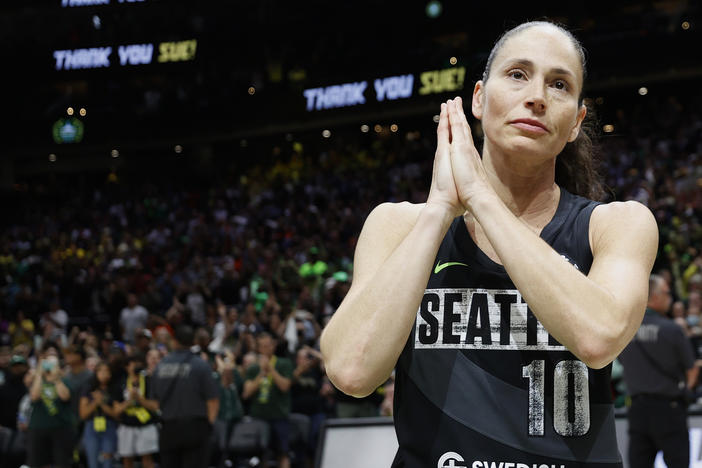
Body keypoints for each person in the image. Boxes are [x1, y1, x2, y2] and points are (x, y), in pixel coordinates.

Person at [320, 20, 658, 467]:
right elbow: (351, 371)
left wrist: (479, 196)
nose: (537, 96)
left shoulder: (616, 224)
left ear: (576, 122)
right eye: (517, 74)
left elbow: (597, 337)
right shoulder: (397, 225)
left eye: (559, 84)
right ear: (478, 98)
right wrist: (441, 207)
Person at [618, 274, 698, 467]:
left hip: (637, 409)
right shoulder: (671, 329)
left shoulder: (625, 329)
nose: (670, 297)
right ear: (654, 297)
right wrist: (687, 391)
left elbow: (620, 361)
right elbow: (692, 369)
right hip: (669, 408)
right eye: (667, 292)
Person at [150, 324, 220, 468]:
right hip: (196, 427)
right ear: (194, 341)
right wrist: (208, 426)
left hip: (168, 428)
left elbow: (154, 403)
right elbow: (213, 401)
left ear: (174, 341)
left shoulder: (160, 366)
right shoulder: (201, 365)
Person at [242, 332, 294, 468]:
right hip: (259, 417)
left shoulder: (284, 363)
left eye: (268, 345)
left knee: (283, 453)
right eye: (263, 346)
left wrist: (270, 369)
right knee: (261, 455)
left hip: (279, 416)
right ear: (258, 348)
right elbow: (246, 393)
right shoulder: (253, 368)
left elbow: (285, 386)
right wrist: (261, 373)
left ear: (273, 346)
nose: (266, 349)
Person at [27, 343, 75, 468]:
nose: (49, 366)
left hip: (60, 428)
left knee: (62, 462)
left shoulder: (64, 380)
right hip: (38, 427)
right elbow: (34, 396)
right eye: (47, 363)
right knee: (38, 463)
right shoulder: (38, 380)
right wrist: (38, 374)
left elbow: (65, 396)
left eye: (53, 363)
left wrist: (56, 378)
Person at [79, 361, 123, 468]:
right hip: (91, 426)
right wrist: (95, 402)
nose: (104, 374)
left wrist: (102, 404)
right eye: (101, 371)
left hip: (109, 426)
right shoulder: (88, 388)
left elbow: (117, 414)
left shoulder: (115, 389)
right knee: (93, 463)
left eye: (106, 371)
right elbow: (83, 414)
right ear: (96, 373)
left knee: (107, 463)